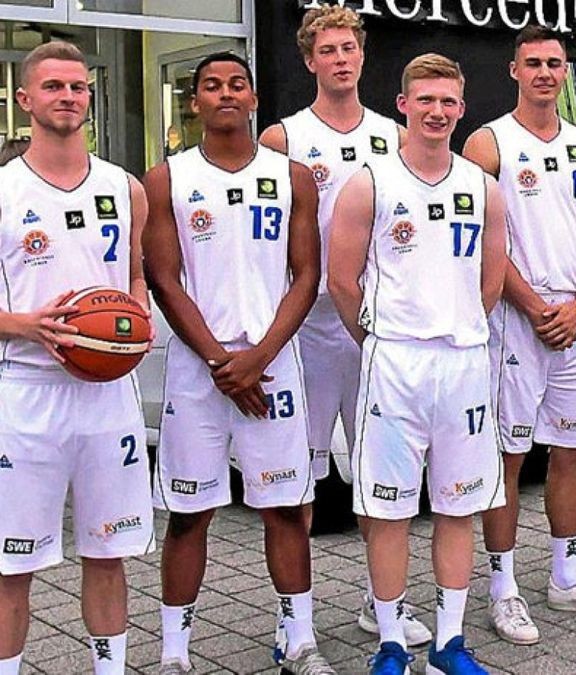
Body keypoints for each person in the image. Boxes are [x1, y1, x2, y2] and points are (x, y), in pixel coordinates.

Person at [142, 52, 331, 672]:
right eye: (211, 86)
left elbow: (307, 276)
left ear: (253, 99)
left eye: (238, 84)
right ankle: (174, 653)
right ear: (193, 102)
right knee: (190, 514)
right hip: (201, 372)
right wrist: (225, 362)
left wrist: (260, 357)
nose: (226, 93)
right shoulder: (166, 178)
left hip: (272, 363)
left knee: (283, 508)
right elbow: (164, 280)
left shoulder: (292, 176)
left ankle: (299, 639)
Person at [259, 4, 429, 653]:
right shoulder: (283, 138)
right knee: (294, 481)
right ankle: (293, 620)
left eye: (348, 48)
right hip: (306, 331)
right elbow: (267, 241)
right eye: (327, 49)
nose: (339, 58)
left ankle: (380, 601)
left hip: (373, 328)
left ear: (362, 56)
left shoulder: (394, 134)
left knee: (383, 474)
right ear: (309, 60)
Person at [328, 53, 506, 673]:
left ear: (461, 108)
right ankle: (392, 643)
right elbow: (342, 281)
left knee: (459, 506)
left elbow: (491, 279)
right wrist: (382, 338)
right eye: (425, 100)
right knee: (388, 509)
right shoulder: (370, 182)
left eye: (448, 102)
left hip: (462, 364)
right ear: (403, 105)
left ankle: (450, 644)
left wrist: (454, 323)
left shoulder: (482, 185)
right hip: (395, 364)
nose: (437, 112)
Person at [462, 25, 576, 646]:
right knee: (507, 456)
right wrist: (534, 307)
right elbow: (481, 240)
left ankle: (565, 574)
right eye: (532, 62)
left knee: (571, 452)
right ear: (513, 71)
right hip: (516, 322)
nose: (543, 72)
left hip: (574, 323)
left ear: (566, 71)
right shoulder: (488, 144)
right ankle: (502, 587)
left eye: (554, 63)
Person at [0, 40, 153, 675]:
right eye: (55, 87)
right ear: (24, 99)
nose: (68, 97)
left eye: (78, 87)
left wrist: (134, 329)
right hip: (27, 391)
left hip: (107, 396)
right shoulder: (3, 189)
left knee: (108, 551)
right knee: (12, 563)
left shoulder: (125, 186)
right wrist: (23, 324)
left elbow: (137, 277)